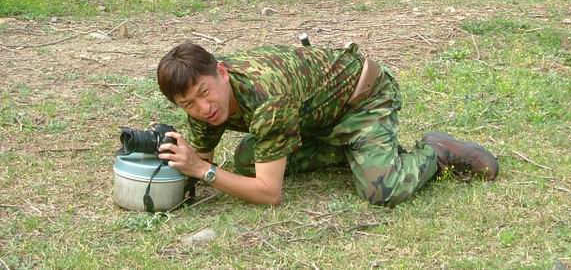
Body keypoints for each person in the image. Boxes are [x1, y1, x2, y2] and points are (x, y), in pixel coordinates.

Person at [156, 41, 498, 206]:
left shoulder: (267, 98)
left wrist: (203, 171)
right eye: (188, 104)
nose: (203, 108)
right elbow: (200, 157)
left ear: (222, 72)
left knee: (383, 190)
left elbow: (269, 194)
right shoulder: (202, 100)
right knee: (246, 161)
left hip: (361, 100)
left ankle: (436, 151)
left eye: (205, 93)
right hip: (314, 115)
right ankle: (353, 153)